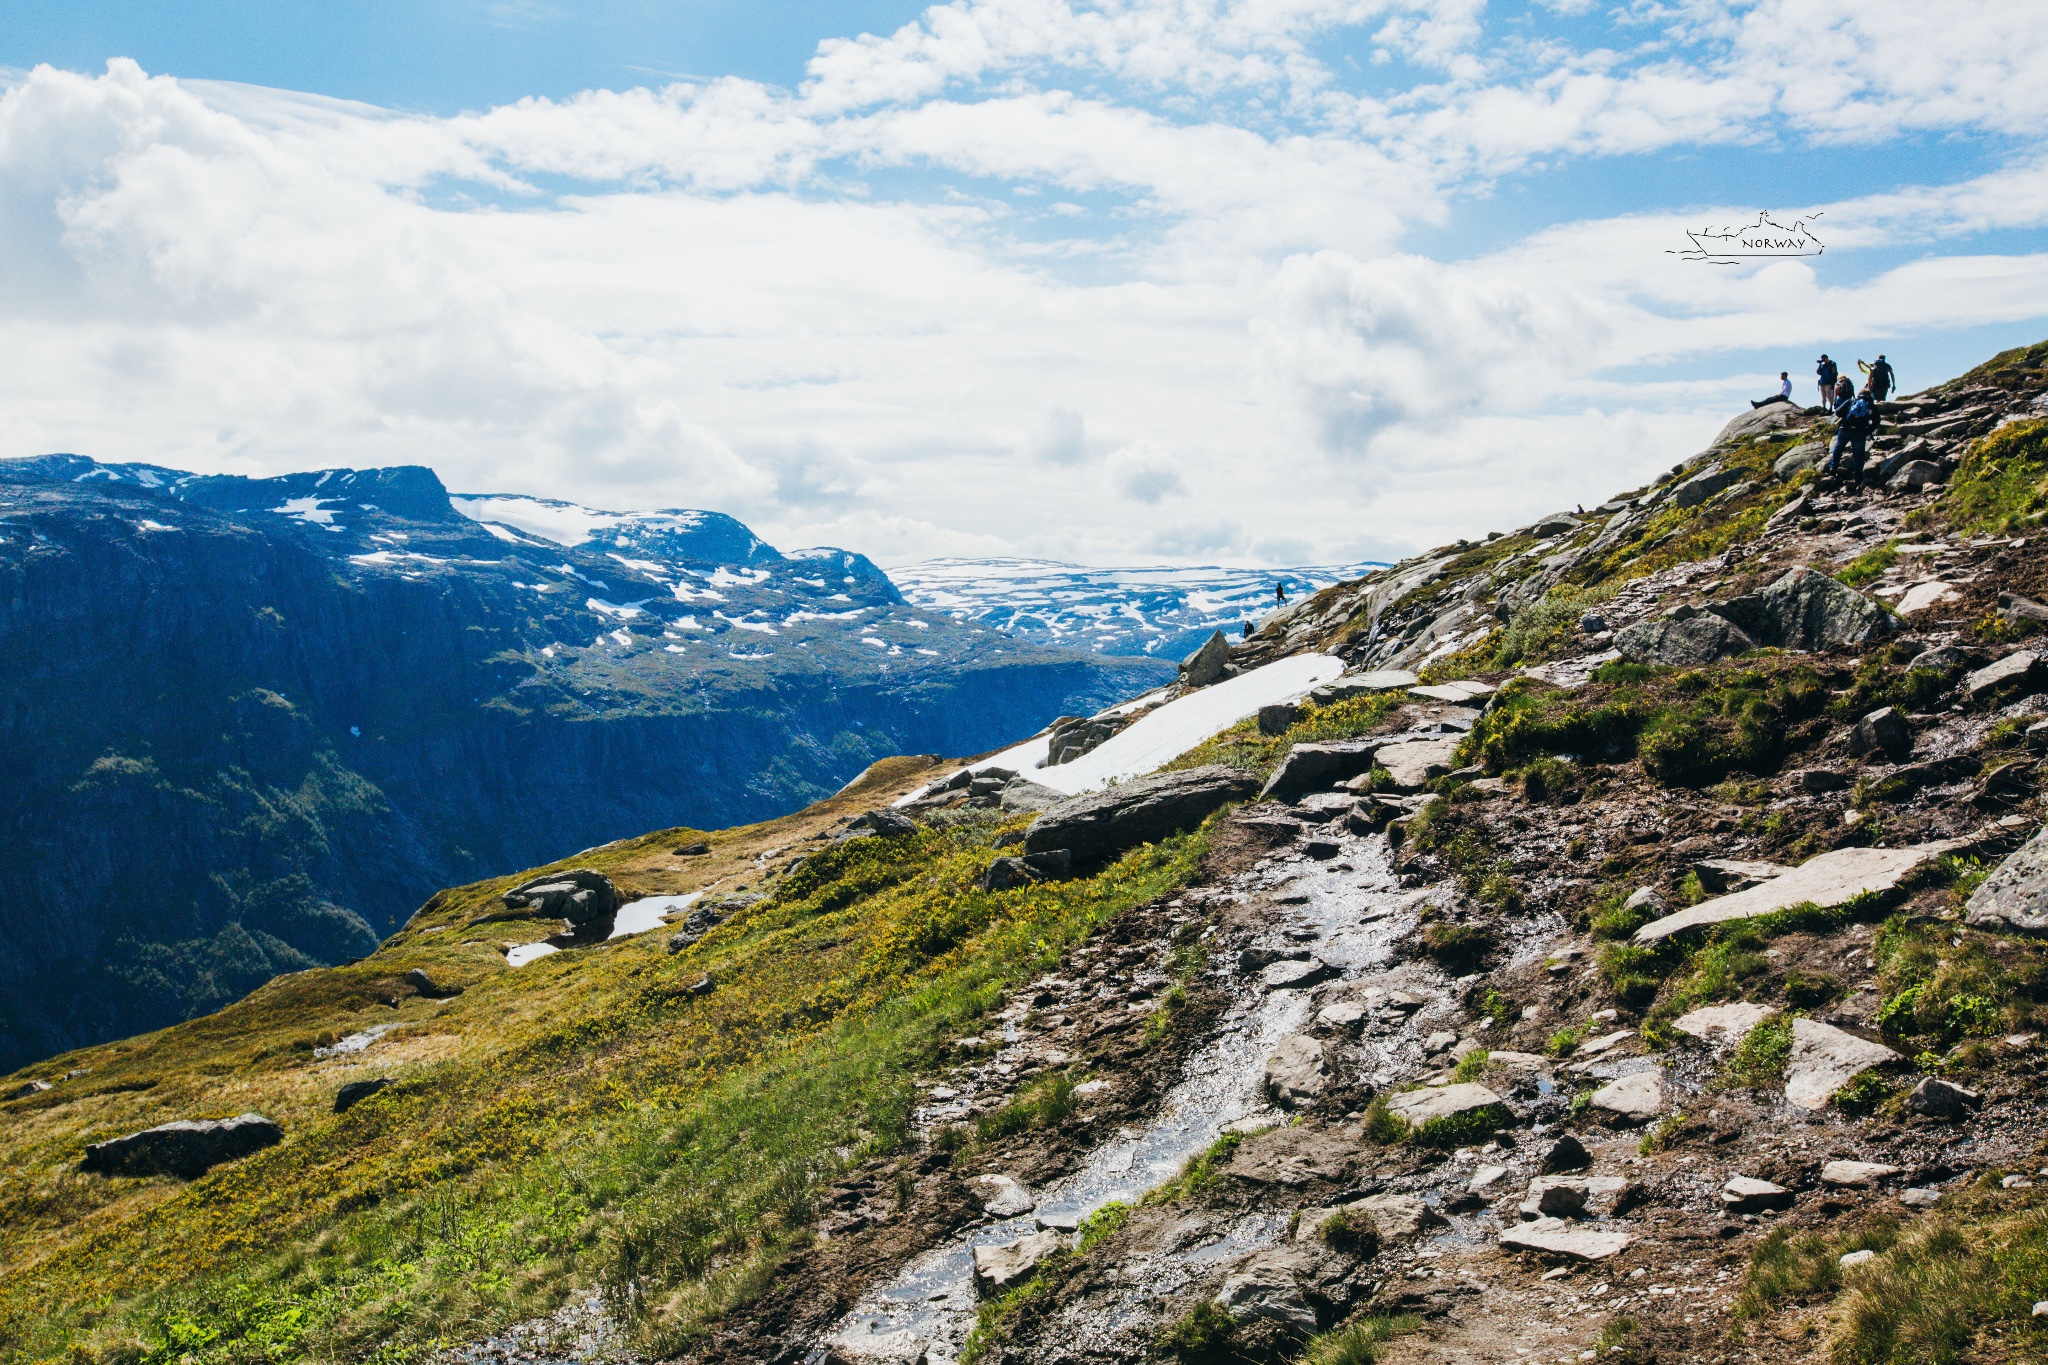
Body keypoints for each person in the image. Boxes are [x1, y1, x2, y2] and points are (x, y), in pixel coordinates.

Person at [1826, 377, 1876, 486]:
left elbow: (1838, 412)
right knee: (1858, 454)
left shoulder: (1851, 401)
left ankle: (1833, 468)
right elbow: (1877, 421)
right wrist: (1868, 431)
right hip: (1860, 432)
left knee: (1839, 448)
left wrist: (1846, 417)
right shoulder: (1871, 405)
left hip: (1845, 428)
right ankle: (1858, 477)